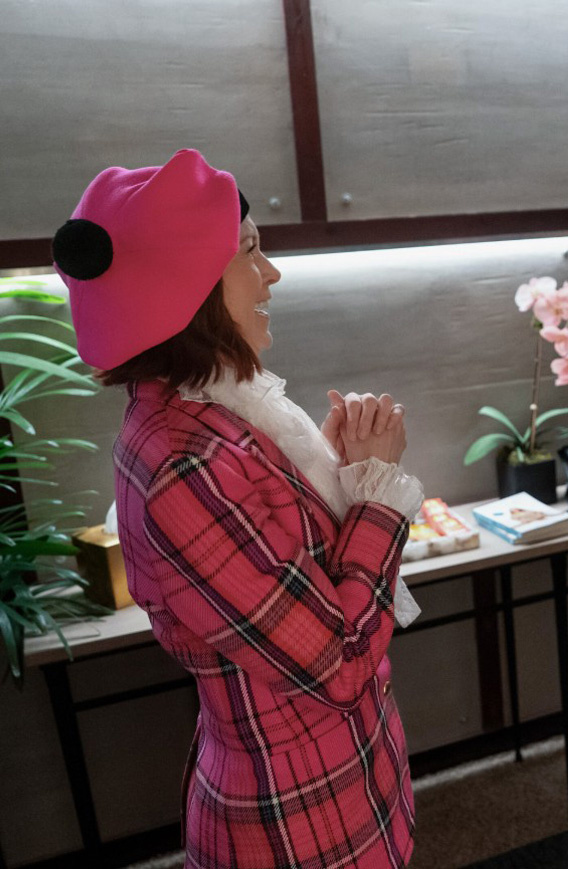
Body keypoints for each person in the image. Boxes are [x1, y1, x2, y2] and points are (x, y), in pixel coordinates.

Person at [52, 148, 423, 869]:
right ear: (186, 285)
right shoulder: (184, 462)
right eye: (250, 251)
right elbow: (340, 666)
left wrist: (340, 472)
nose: (271, 273)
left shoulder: (215, 412)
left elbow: (288, 564)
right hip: (296, 822)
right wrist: (377, 487)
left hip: (336, 783)